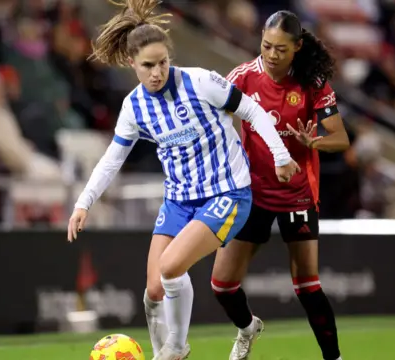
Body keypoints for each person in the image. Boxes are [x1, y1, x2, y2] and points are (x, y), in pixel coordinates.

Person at [66, 1, 300, 359]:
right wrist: (84, 202)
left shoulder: (201, 82)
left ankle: (176, 348)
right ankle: (173, 351)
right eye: (148, 65)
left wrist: (281, 155)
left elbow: (250, 109)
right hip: (179, 200)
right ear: (132, 64)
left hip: (227, 192)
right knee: (154, 290)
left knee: (172, 266)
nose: (157, 72)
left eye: (162, 62)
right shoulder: (133, 107)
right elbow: (113, 158)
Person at [210, 10, 350, 360]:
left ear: (298, 47)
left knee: (307, 285)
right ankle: (247, 328)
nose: (272, 55)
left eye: (281, 49)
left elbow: (341, 138)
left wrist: (313, 142)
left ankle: (334, 358)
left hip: (297, 193)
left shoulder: (312, 83)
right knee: (222, 285)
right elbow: (216, 121)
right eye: (267, 46)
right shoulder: (242, 78)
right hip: (252, 193)